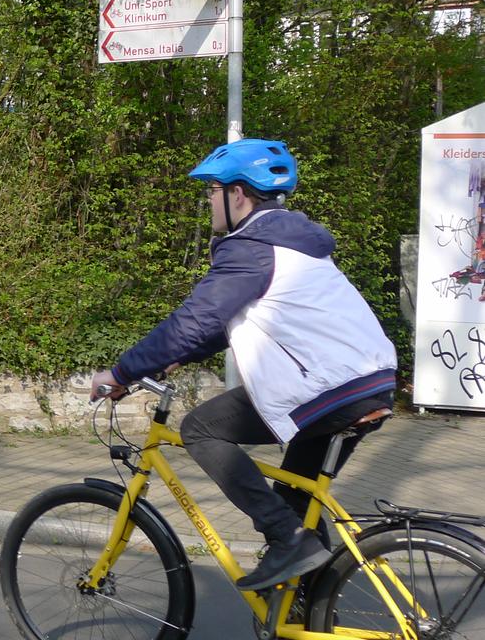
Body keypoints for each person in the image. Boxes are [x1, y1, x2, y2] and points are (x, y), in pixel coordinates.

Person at [89, 138, 397, 591]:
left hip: (327, 390)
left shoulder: (251, 246)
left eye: (212, 191)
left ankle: (288, 539)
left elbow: (193, 322)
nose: (209, 200)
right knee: (295, 494)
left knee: (201, 429)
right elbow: (218, 326)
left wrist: (120, 372)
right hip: (364, 383)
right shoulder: (289, 242)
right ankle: (309, 604)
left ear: (238, 195)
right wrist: (172, 361)